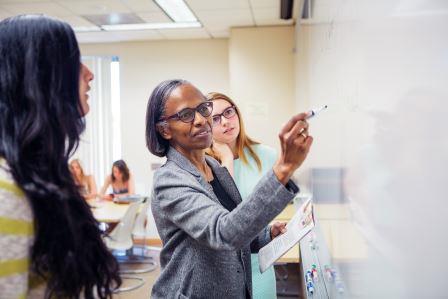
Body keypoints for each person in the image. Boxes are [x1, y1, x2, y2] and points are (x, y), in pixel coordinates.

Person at [145, 79, 312, 298]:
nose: (201, 120)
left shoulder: (213, 166)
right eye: (186, 115)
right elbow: (223, 233)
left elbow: (233, 224)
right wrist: (282, 169)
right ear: (165, 130)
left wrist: (266, 234)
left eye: (204, 109)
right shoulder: (169, 180)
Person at [0, 15, 121, 298]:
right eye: (74, 59)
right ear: (39, 76)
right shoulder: (6, 193)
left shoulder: (40, 176)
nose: (89, 72)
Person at [206, 92, 283, 298]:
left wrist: (270, 230)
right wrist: (227, 160)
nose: (225, 122)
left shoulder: (266, 155)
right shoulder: (205, 165)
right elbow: (226, 216)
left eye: (228, 112)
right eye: (215, 119)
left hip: (261, 260)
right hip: (227, 269)